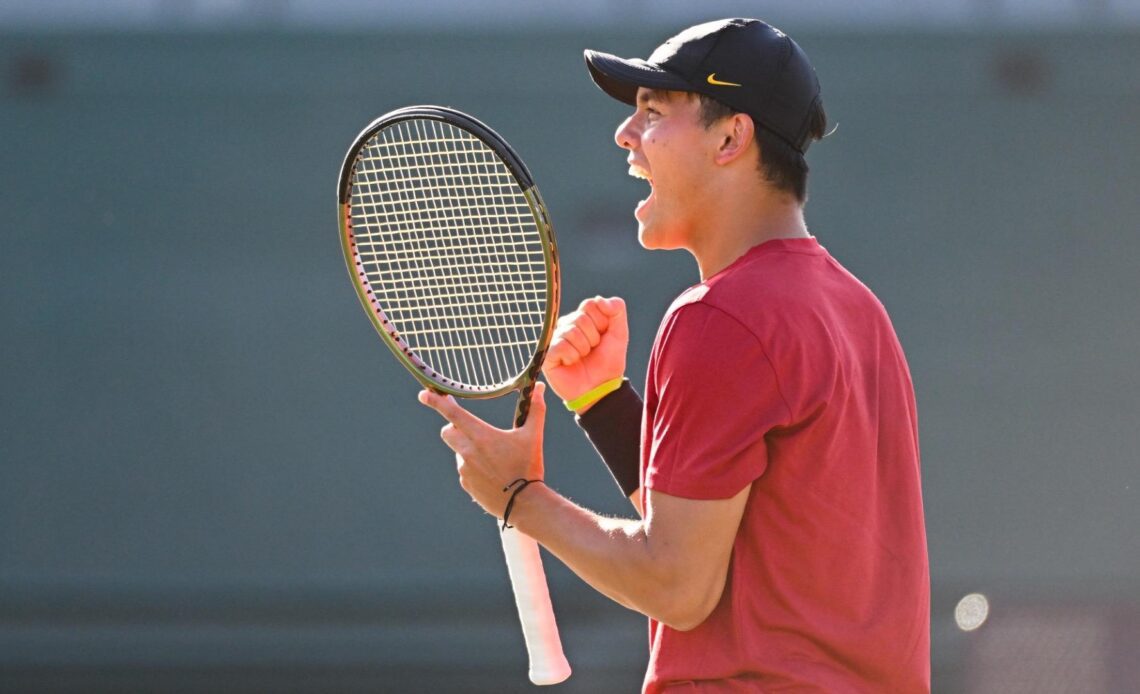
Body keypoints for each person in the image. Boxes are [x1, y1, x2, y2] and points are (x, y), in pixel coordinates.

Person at [419, 17, 930, 692]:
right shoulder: (856, 309)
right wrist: (601, 403)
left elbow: (678, 585)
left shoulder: (720, 316)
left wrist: (518, 498)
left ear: (730, 138)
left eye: (654, 113)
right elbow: (734, 536)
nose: (625, 137)